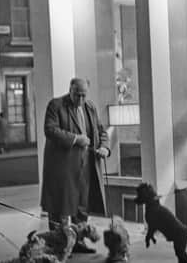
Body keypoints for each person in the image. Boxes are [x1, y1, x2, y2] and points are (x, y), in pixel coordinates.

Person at [40, 77, 110, 254]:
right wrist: (75, 139)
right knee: (59, 208)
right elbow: (50, 129)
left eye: (83, 95)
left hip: (85, 167)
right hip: (62, 169)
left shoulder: (90, 107)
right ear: (70, 90)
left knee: (82, 208)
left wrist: (104, 147)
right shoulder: (56, 105)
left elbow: (102, 131)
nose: (80, 99)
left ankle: (77, 243)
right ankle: (58, 246)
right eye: (77, 95)